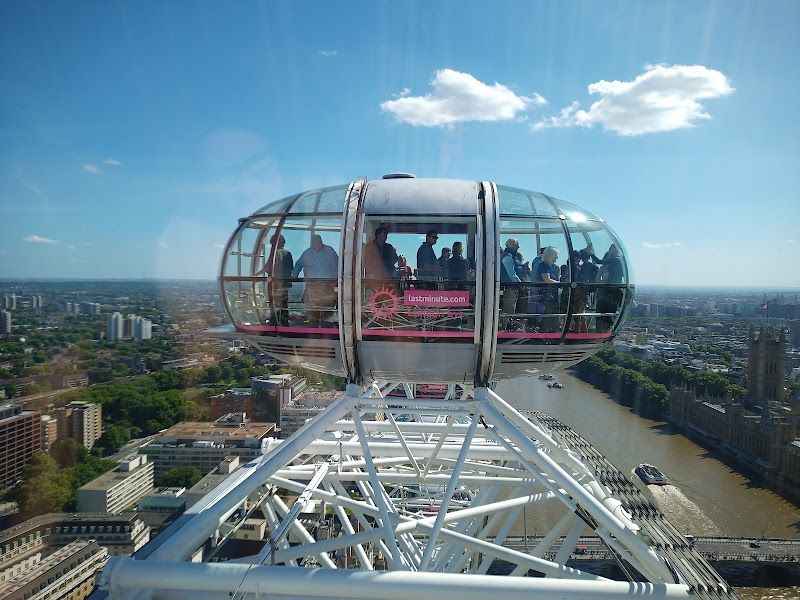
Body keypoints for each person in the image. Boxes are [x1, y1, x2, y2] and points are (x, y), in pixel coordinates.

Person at [292, 234, 338, 326]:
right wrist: (295, 274)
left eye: (317, 241)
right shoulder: (307, 253)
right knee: (313, 310)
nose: (315, 243)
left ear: (321, 241)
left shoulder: (330, 251)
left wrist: (337, 280)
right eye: (313, 242)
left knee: (328, 309)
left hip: (328, 286)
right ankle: (314, 328)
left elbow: (339, 264)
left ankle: (327, 328)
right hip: (313, 287)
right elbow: (298, 264)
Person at [261, 234, 293, 326]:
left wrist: (255, 275)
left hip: (275, 284)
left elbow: (267, 267)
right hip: (285, 284)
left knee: (274, 305)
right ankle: (284, 324)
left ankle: (274, 324)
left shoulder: (275, 253)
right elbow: (290, 268)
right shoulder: (288, 253)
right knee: (284, 305)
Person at [596, 244, 624, 333]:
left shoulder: (616, 265)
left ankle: (607, 332)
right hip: (603, 294)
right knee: (602, 315)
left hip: (611, 294)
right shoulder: (603, 268)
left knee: (609, 315)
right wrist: (604, 282)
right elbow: (597, 280)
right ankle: (601, 333)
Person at [533, 246, 560, 332]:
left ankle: (549, 331)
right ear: (550, 255)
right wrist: (560, 284)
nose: (557, 258)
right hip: (544, 295)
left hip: (549, 295)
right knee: (546, 314)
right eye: (555, 255)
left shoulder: (549, 266)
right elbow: (547, 279)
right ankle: (544, 332)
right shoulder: (543, 265)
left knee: (549, 314)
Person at [500, 238, 526, 320]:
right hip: (511, 287)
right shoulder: (507, 256)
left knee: (511, 308)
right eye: (517, 245)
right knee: (509, 309)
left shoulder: (512, 256)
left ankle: (508, 324)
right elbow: (511, 274)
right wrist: (521, 285)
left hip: (513, 287)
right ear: (512, 245)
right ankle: (506, 325)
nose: (518, 247)